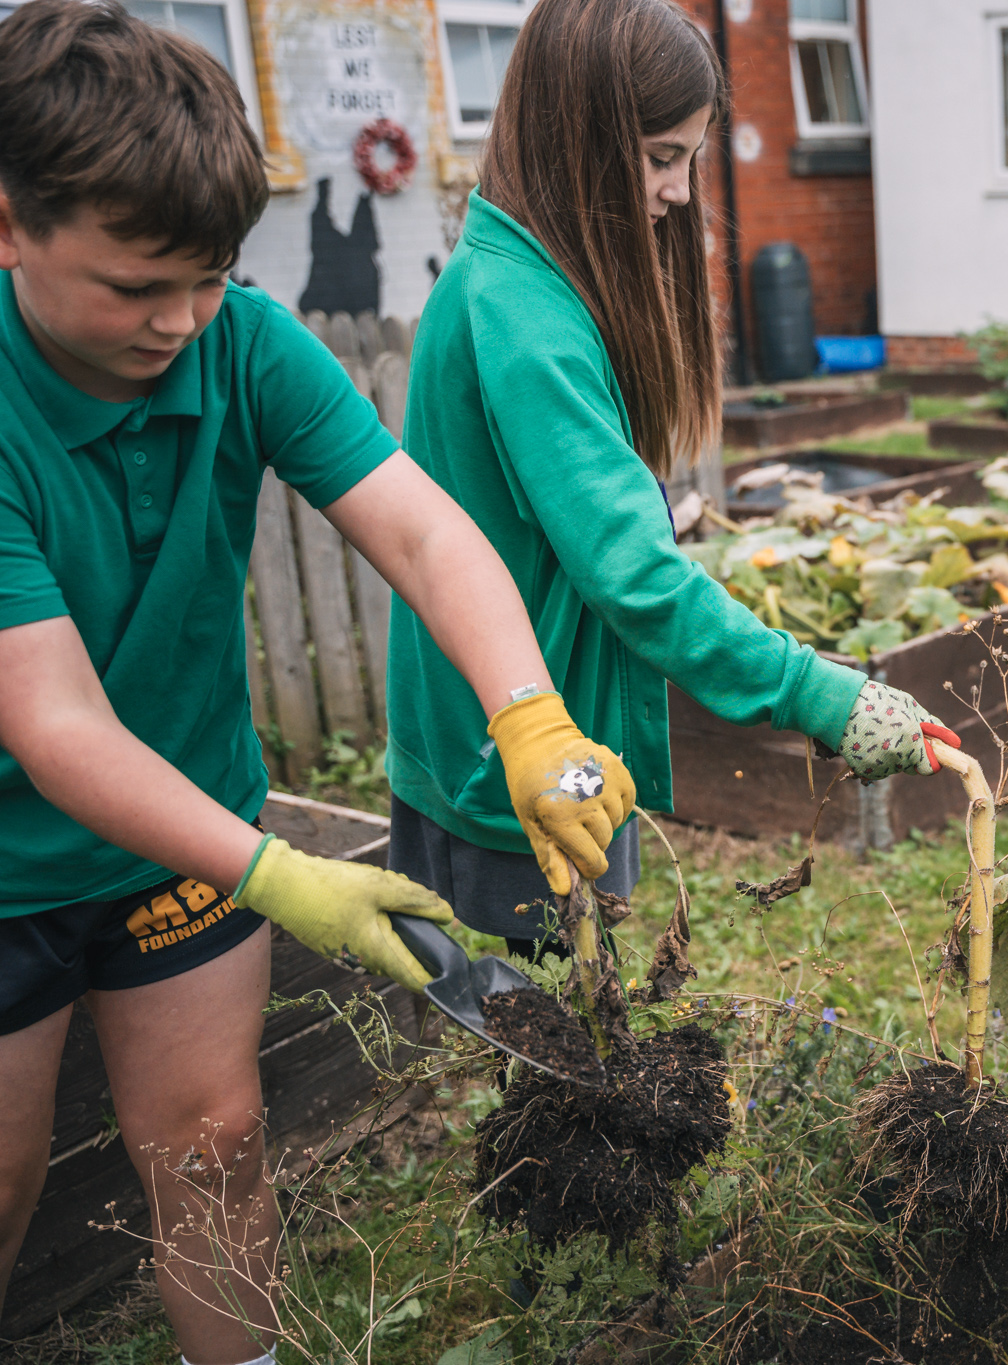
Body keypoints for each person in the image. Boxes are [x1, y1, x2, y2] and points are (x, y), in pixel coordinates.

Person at [0, 4, 633, 1362]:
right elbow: (52, 723)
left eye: (208, 276)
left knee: (216, 1142)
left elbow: (422, 527)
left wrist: (530, 714)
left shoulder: (243, 341)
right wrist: (285, 878)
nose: (177, 321)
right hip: (10, 852)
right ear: (7, 223)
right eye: (132, 286)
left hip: (182, 820)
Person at [383, 0, 955, 952]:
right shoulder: (524, 318)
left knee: (575, 1039)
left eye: (689, 156)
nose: (684, 191)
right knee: (552, 1050)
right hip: (515, 751)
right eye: (659, 156)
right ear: (579, 138)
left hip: (543, 732)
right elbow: (632, 574)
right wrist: (823, 694)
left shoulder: (526, 277)